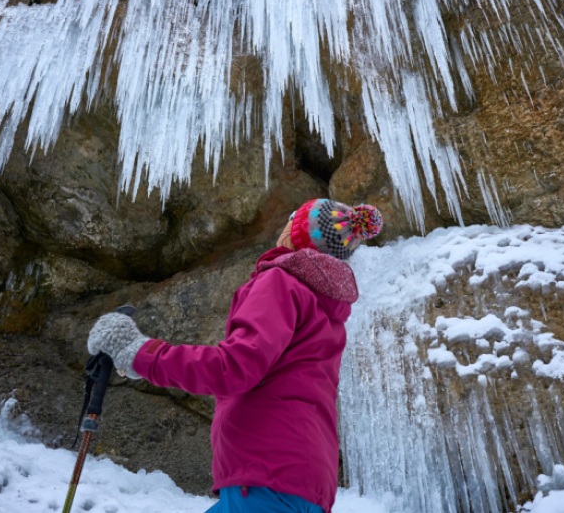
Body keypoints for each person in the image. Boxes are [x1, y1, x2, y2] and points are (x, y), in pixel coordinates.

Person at [87, 198, 383, 513]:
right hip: (302, 485)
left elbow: (235, 367)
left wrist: (139, 353)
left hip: (265, 480)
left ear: (297, 234)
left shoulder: (282, 282)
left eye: (292, 217)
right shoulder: (327, 311)